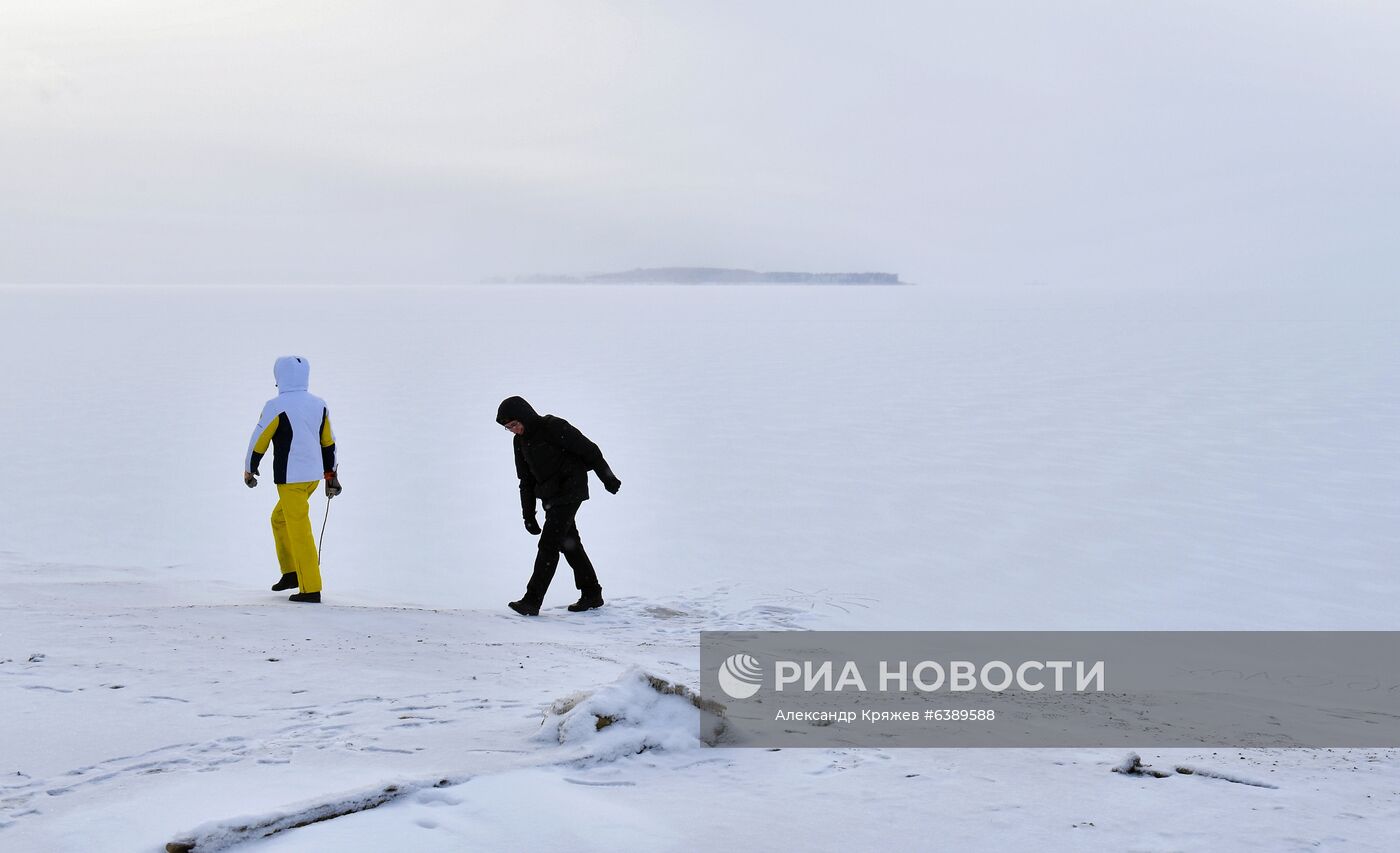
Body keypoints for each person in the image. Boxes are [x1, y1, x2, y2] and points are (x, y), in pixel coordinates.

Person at [496, 396, 620, 615]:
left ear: (524, 416)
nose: (514, 430)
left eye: (514, 424)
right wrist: (528, 514)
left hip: (571, 489)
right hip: (551, 496)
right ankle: (592, 593)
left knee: (548, 544)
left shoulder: (553, 426)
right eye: (508, 428)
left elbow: (589, 450)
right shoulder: (519, 443)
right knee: (568, 543)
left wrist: (607, 477)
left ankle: (531, 600)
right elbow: (525, 481)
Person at [244, 356, 341, 603]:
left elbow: (260, 439)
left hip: (291, 479)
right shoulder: (319, 404)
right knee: (279, 519)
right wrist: (331, 474)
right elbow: (328, 442)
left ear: (280, 377)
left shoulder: (276, 406)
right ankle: (291, 573)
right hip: (313, 478)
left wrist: (250, 468)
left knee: (299, 530)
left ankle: (310, 588)